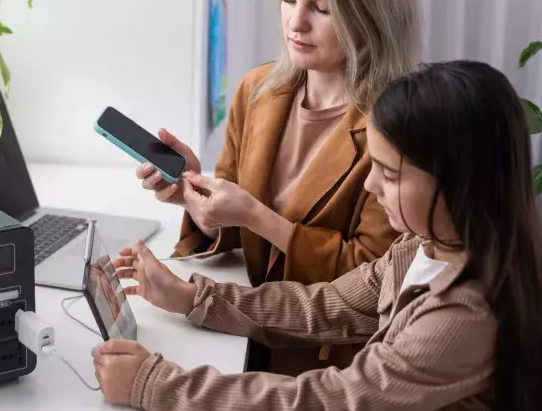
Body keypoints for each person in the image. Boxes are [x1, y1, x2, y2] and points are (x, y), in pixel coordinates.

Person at [96, 61, 542, 410]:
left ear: (457, 182)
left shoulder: (461, 317)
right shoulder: (423, 243)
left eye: (389, 174)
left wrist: (154, 384)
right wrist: (195, 298)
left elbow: (325, 401)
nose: (371, 186)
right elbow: (328, 305)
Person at [137, 0, 420, 373]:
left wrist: (255, 214)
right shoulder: (257, 91)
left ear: (372, 12)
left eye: (321, 7)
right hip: (243, 323)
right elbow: (232, 230)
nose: (296, 22)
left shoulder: (399, 129)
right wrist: (194, 194)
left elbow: (373, 275)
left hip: (324, 362)